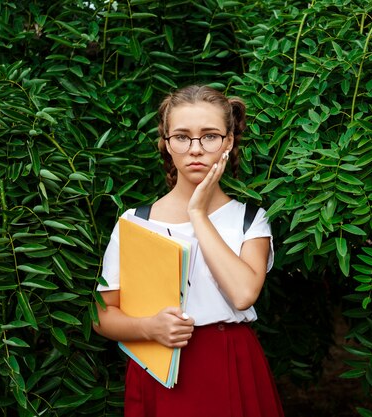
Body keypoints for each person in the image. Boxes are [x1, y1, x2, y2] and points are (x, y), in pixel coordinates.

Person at [93, 85, 285, 417]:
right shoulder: (135, 222)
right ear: (166, 144)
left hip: (229, 360)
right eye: (182, 137)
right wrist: (149, 328)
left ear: (228, 141)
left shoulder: (250, 220)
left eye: (209, 136)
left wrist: (197, 214)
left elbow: (242, 295)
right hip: (160, 363)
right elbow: (102, 314)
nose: (195, 149)